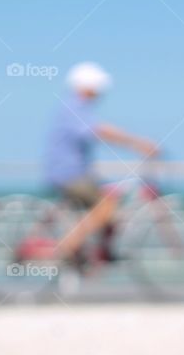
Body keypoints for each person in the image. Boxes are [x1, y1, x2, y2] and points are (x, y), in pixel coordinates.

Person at [31, 62, 159, 264]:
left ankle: (95, 251)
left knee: (109, 195)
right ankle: (66, 247)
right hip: (69, 175)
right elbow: (98, 130)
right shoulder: (74, 107)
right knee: (106, 207)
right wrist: (137, 143)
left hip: (72, 173)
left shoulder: (72, 106)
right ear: (89, 86)